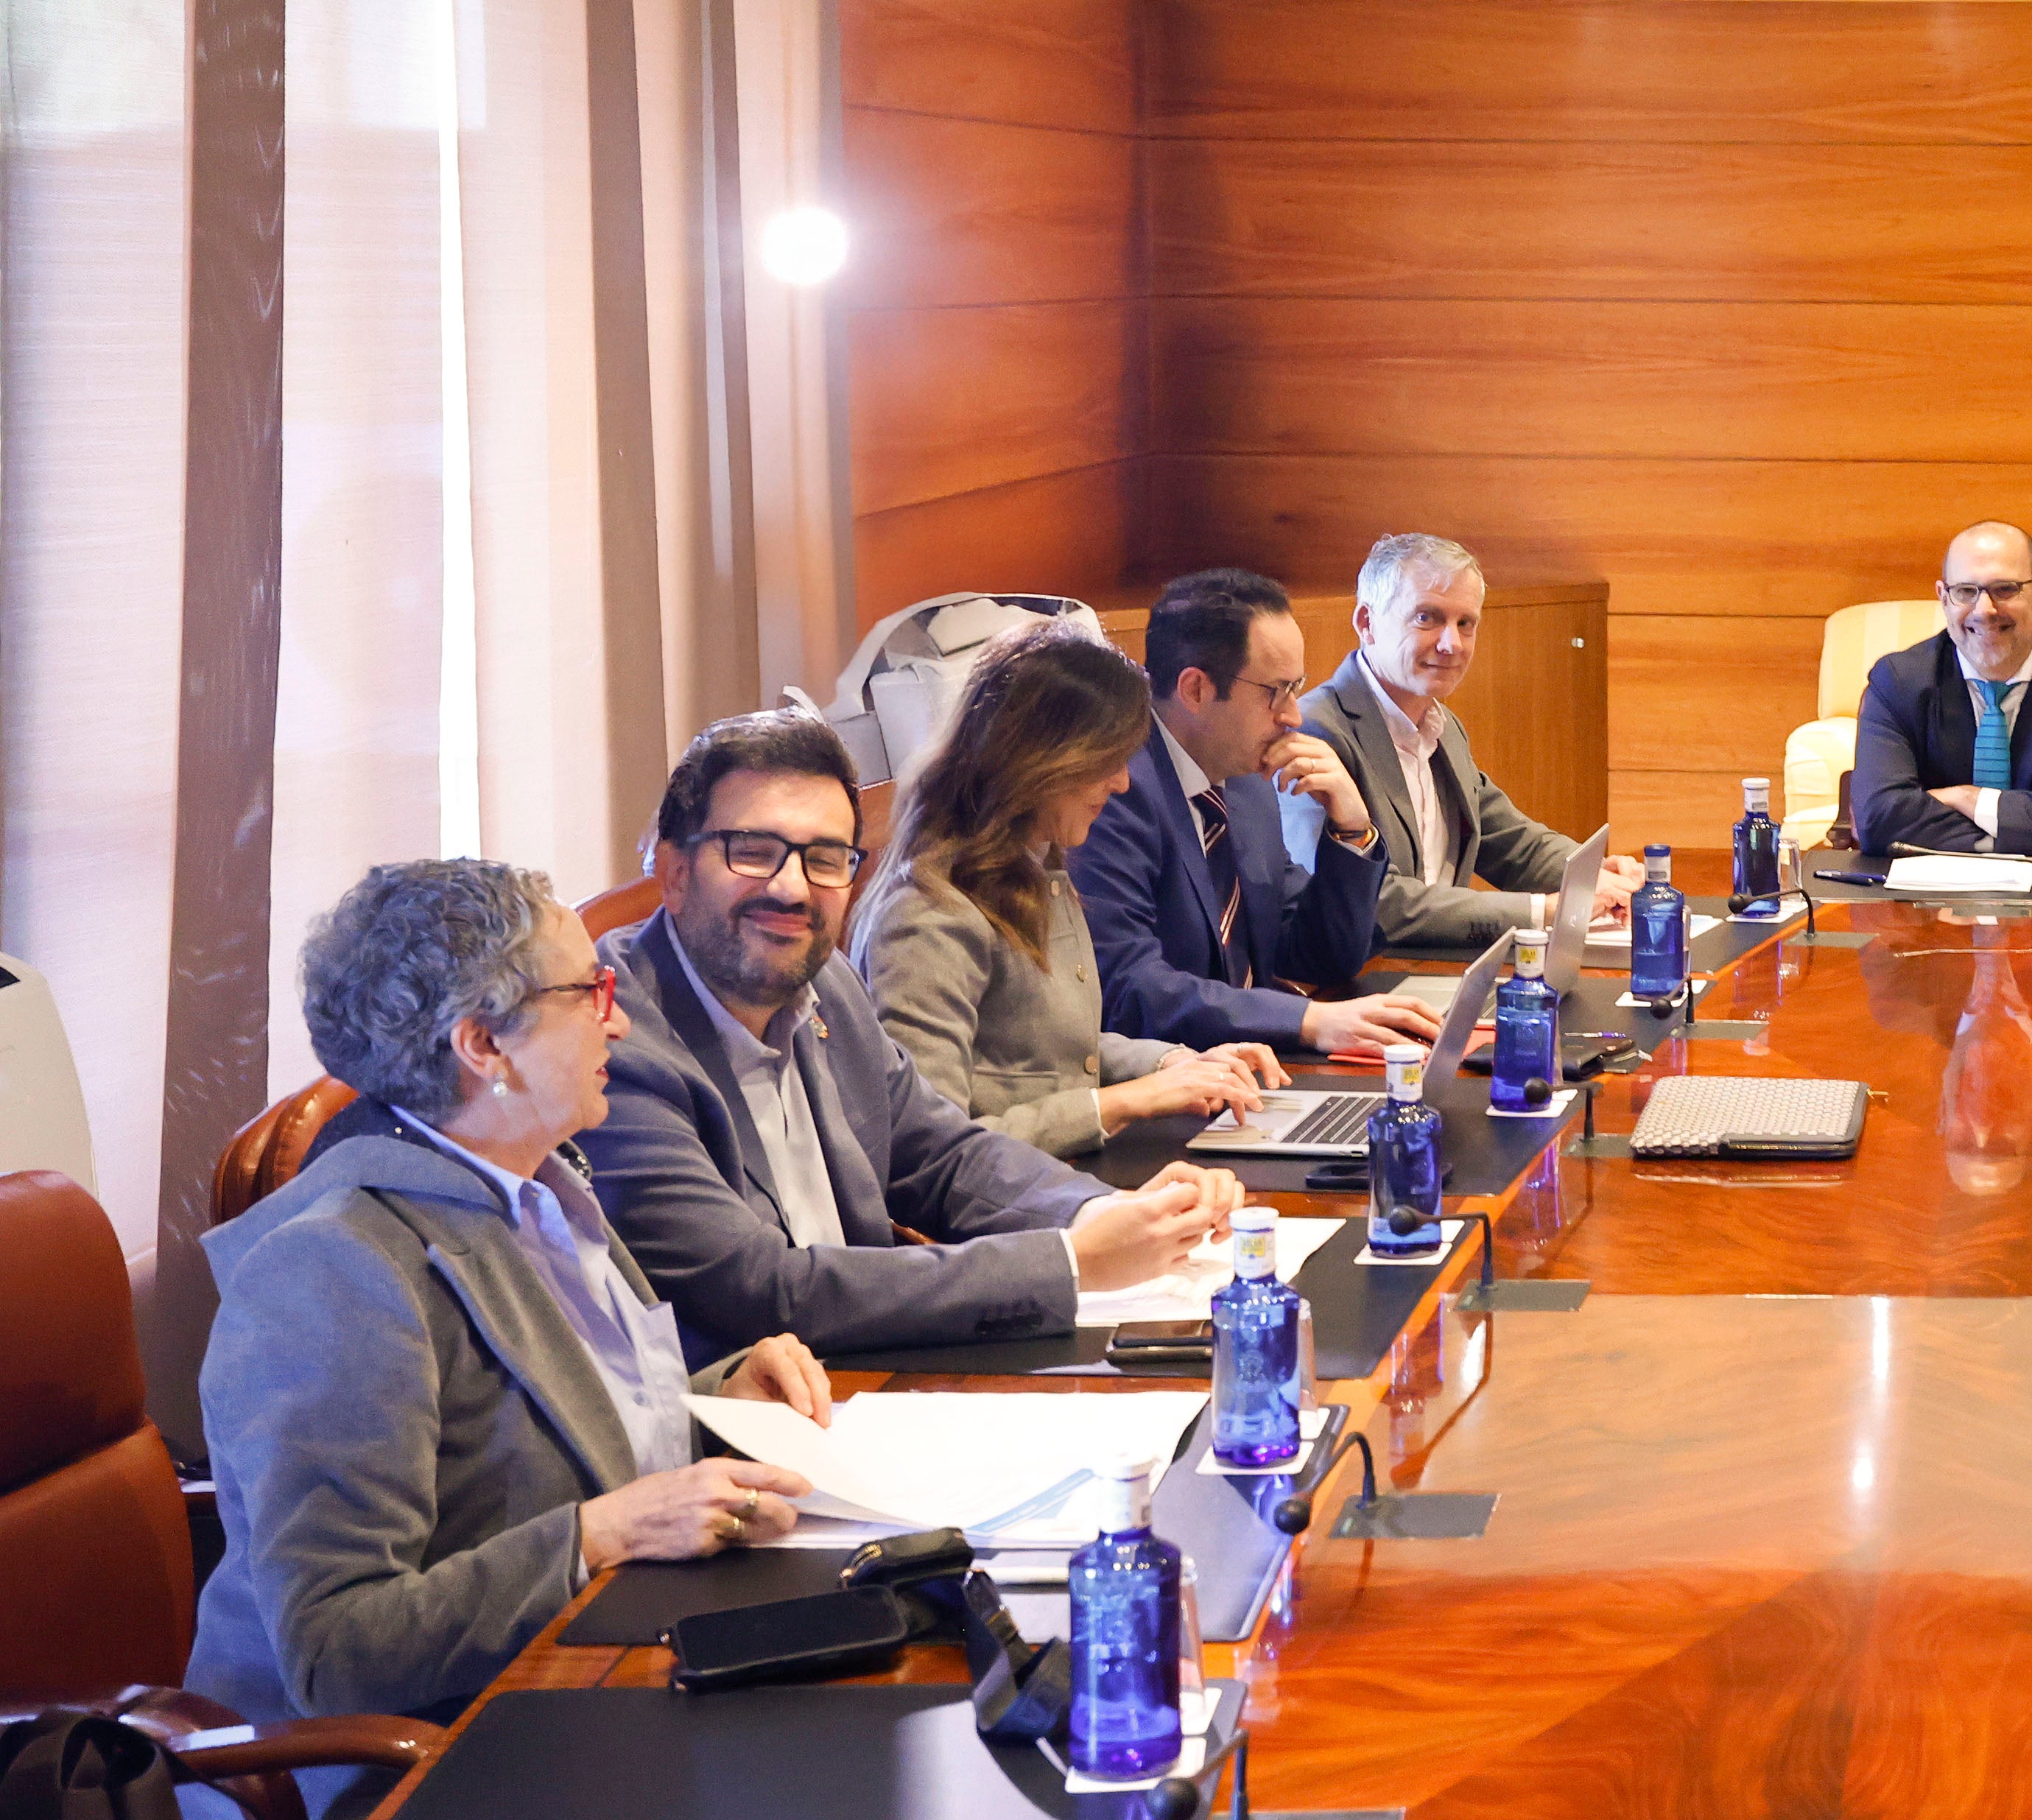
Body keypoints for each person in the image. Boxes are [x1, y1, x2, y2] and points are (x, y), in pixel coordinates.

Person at [192, 859, 834, 1820]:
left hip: (584, 1682)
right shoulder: (332, 1273)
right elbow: (335, 1648)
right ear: (485, 1043)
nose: (618, 1020)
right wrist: (603, 1531)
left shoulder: (542, 1184)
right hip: (413, 1790)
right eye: (592, 992)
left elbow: (547, 1436)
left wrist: (712, 1400)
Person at [590, 707, 1242, 1361]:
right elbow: (762, 1291)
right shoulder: (613, 1043)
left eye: (823, 858)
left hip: (871, 1375)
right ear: (674, 873)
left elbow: (940, 1153)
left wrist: (1101, 1214)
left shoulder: (826, 983)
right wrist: (1071, 1261)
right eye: (753, 852)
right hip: (741, 1427)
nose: (791, 888)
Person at [854, 627, 1291, 1156]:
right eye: (1107, 762)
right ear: (1041, 758)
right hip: (1000, 1217)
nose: (1123, 783)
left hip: (1053, 1180)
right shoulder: (927, 915)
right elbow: (929, 1149)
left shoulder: (1038, 867)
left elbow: (1050, 1055)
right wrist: (1127, 1101)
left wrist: (1172, 1062)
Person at [1071, 566, 1428, 1055]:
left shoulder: (1242, 781)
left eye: (1296, 687)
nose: (1294, 716)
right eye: (1275, 691)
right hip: (1166, 1086)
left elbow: (1319, 955)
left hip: (1252, 1068)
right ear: (1194, 689)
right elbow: (1129, 988)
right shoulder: (1114, 788)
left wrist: (1351, 827)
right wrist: (1307, 1019)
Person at [1293, 531, 1641, 950]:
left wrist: (1592, 877)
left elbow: (1510, 840)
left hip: (1437, 965)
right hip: (1360, 985)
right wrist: (1544, 911)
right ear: (1366, 623)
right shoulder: (1316, 731)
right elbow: (1369, 902)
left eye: (1465, 623)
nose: (1451, 643)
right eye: (1427, 618)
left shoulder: (1442, 724)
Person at [1848, 521, 2032, 861]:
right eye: (1965, 591)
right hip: (1922, 898)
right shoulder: (1898, 683)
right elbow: (1878, 820)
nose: (1985, 610)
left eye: (2005, 589)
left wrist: (1966, 798)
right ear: (1943, 599)